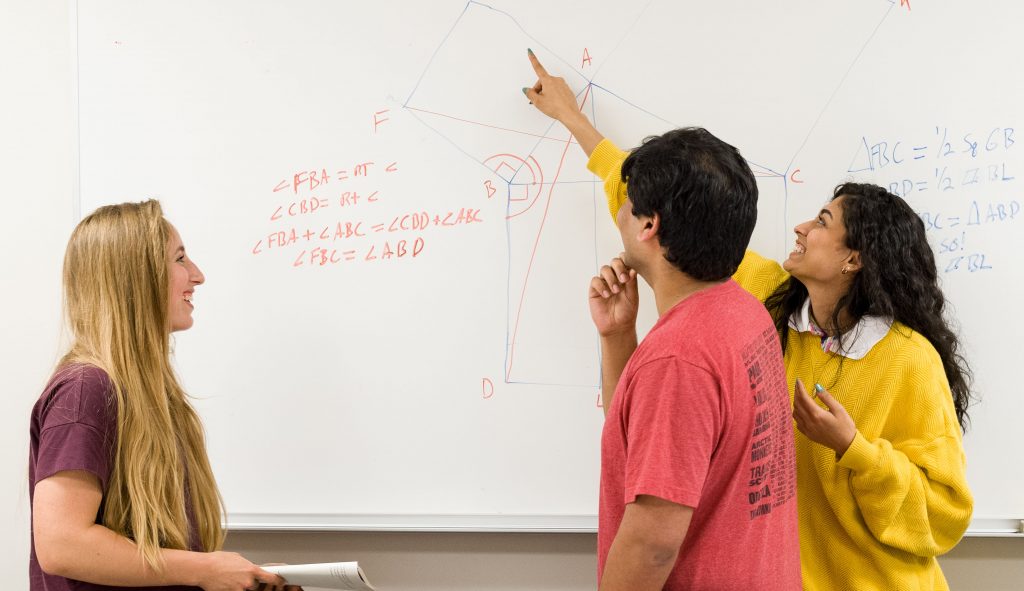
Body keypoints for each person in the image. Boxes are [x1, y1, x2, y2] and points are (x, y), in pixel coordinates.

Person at [523, 50, 974, 590]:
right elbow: (666, 209)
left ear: (855, 259)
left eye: (824, 221)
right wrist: (573, 120)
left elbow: (944, 514)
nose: (803, 225)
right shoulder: (763, 303)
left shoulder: (908, 360)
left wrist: (853, 450)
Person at [526, 53, 801, 588]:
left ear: (650, 224)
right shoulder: (743, 311)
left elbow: (652, 544)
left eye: (626, 204)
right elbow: (647, 446)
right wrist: (618, 338)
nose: (619, 212)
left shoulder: (681, 358)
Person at [29, 200, 297, 591]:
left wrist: (241, 577)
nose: (198, 275)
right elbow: (62, 545)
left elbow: (153, 557)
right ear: (135, 277)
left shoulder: (150, 397)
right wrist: (205, 570)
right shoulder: (86, 390)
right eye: (180, 259)